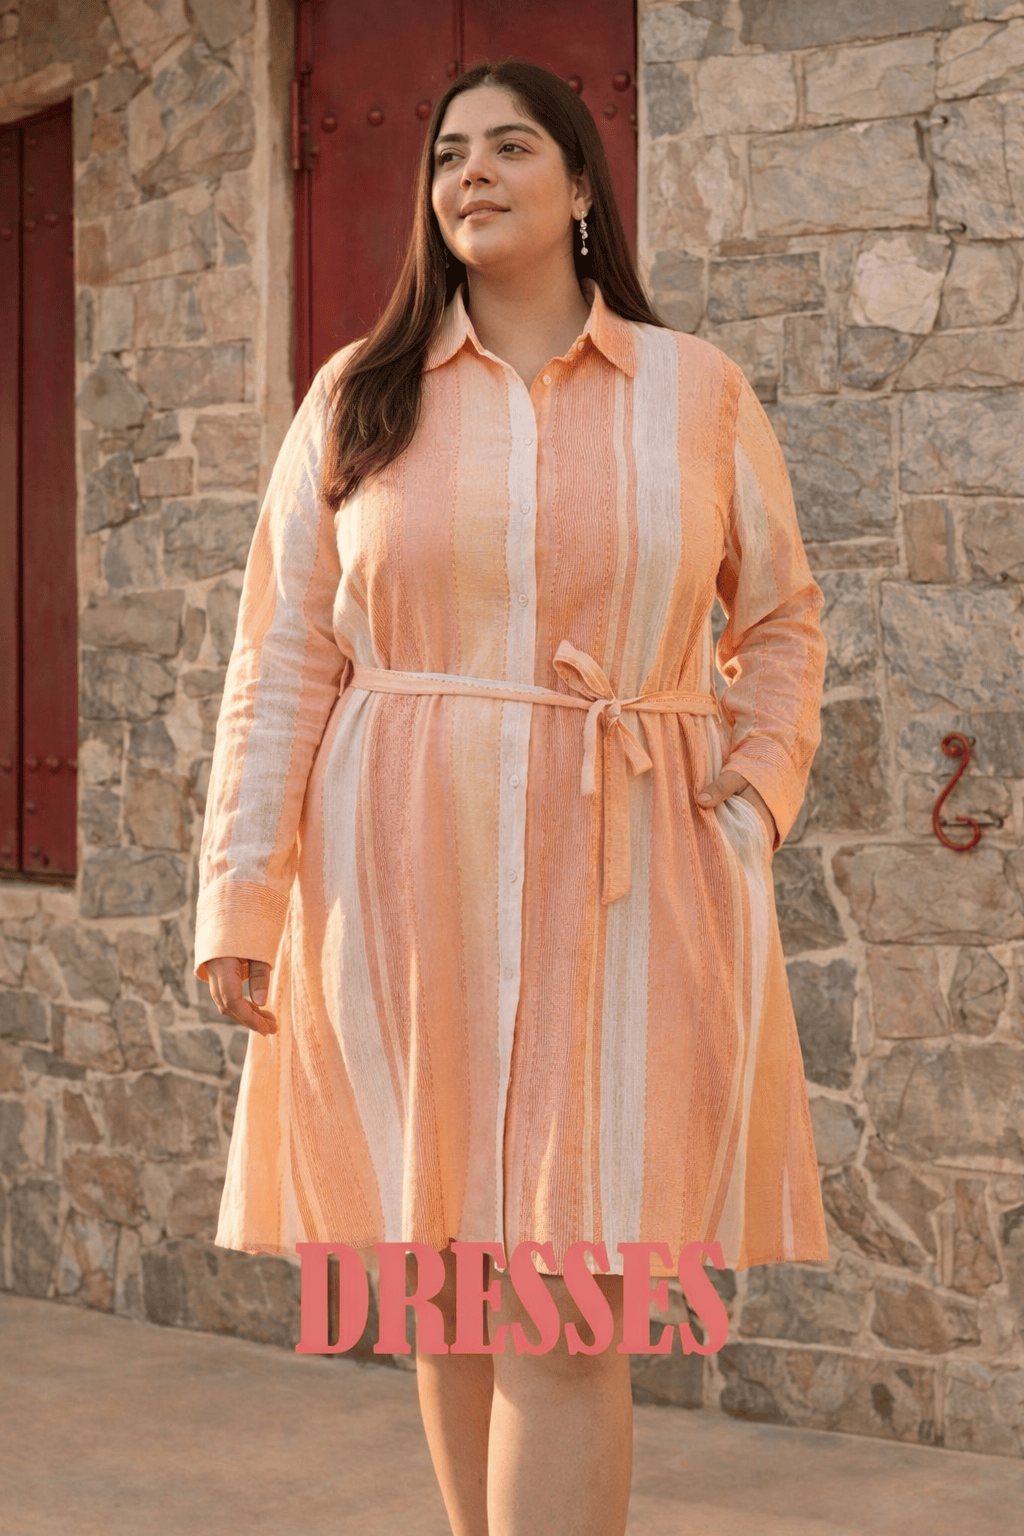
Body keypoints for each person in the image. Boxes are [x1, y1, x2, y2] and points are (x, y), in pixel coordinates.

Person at [196, 59, 829, 1536]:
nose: (470, 172)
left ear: (584, 185)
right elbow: (281, 652)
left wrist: (751, 802)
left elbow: (784, 620)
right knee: (451, 1295)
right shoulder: (360, 394)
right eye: (447, 154)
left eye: (511, 146)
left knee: (566, 1299)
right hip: (401, 873)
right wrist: (245, 893)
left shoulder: (698, 392)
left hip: (631, 873)